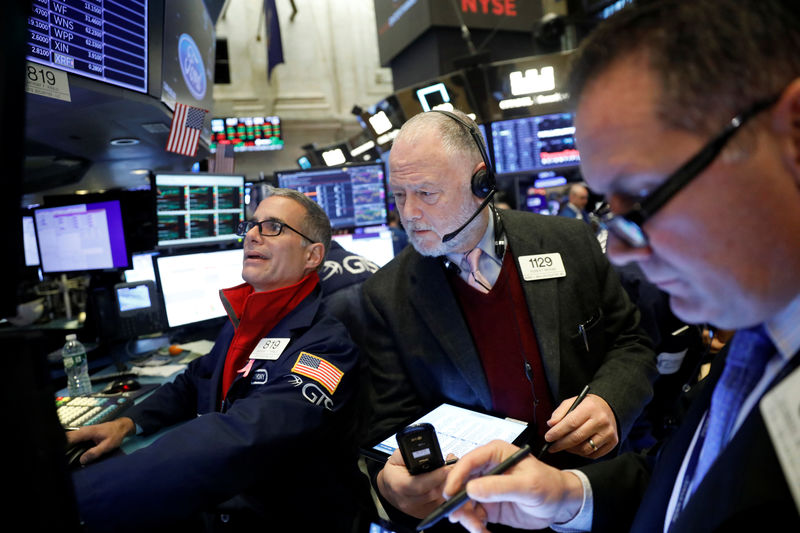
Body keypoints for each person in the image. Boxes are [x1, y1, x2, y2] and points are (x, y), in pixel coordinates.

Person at [443, 1, 800, 532]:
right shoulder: (760, 335)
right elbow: (696, 482)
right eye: (613, 206)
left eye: (646, 196)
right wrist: (569, 494)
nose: (625, 250)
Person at [361, 109, 657, 525]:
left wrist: (610, 400)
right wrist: (392, 482)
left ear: (481, 182)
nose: (408, 213)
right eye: (398, 195)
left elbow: (632, 340)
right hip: (483, 509)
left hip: (593, 488)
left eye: (426, 193)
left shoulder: (568, 242)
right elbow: (391, 422)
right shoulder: (385, 296)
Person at [65, 188, 361, 532]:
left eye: (273, 227)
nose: (252, 234)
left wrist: (77, 495)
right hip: (224, 500)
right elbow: (195, 379)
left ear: (312, 255)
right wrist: (128, 423)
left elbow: (240, 435)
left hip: (280, 518)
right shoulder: (247, 318)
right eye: (251, 225)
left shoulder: (327, 346)